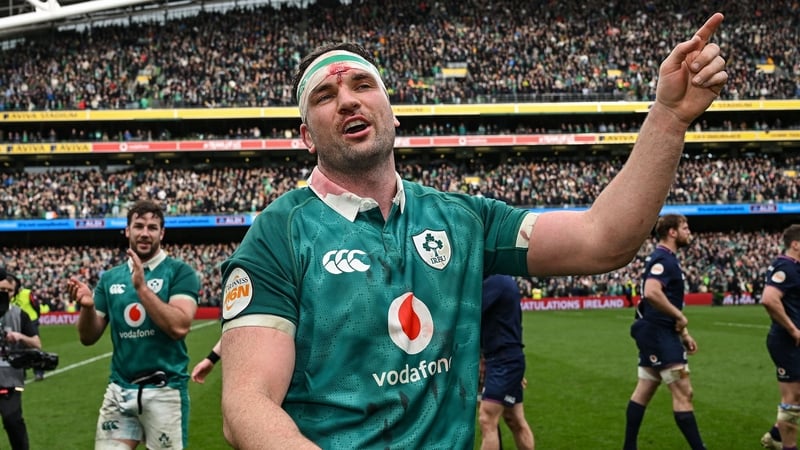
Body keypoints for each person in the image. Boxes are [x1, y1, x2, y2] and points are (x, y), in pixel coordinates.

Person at [219, 14, 727, 449]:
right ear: (307, 136)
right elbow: (246, 403)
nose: (348, 100)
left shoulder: (463, 218)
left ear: (391, 111)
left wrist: (668, 117)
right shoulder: (278, 235)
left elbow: (603, 240)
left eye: (362, 85)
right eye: (325, 95)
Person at [66, 200, 200, 450]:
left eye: (152, 227)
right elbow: (88, 337)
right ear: (127, 231)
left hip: (165, 390)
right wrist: (87, 307)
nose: (145, 233)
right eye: (138, 226)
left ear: (162, 233)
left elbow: (179, 327)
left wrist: (141, 288)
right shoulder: (110, 278)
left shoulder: (180, 272)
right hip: (120, 390)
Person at [623, 214, 705, 450]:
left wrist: (683, 333)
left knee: (645, 388)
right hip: (658, 335)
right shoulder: (664, 259)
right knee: (683, 393)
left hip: (657, 332)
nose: (689, 232)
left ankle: (629, 447)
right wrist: (679, 317)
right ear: (672, 232)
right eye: (685, 228)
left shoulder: (665, 258)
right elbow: (652, 292)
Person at [478, 274, 534, 450]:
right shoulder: (502, 281)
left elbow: (469, 315)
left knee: (487, 419)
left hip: (503, 361)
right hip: (505, 360)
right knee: (514, 420)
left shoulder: (495, 282)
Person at [760, 224, 800, 450]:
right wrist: (793, 330)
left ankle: (775, 436)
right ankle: (788, 446)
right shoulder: (785, 266)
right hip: (787, 341)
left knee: (797, 396)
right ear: (795, 244)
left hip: (793, 340)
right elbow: (769, 298)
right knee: (792, 398)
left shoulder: (794, 268)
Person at [0, 268, 42, 450]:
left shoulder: (19, 314)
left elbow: (37, 343)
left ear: (14, 293)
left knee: (12, 420)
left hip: (10, 378)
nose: (4, 293)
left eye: (8, 291)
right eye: (1, 289)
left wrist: (20, 337)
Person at [6, 275, 42, 381]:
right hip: (15, 320)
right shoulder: (10, 300)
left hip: (30, 319)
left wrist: (36, 317)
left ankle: (38, 371)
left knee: (32, 347)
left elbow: (36, 305)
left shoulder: (27, 293)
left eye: (10, 290)